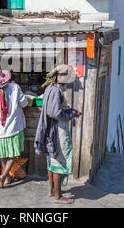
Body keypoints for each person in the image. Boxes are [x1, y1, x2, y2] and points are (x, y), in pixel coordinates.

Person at [34, 64, 81, 204]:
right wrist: (72, 112)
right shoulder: (56, 91)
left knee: (52, 159)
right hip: (57, 130)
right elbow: (55, 113)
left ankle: (52, 190)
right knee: (59, 161)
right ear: (60, 77)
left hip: (52, 129)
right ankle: (58, 196)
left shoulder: (50, 88)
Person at [0, 68, 28, 189]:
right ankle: (4, 175)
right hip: (14, 127)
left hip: (0, 129)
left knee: (3, 155)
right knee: (12, 155)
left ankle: (7, 177)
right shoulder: (15, 88)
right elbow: (24, 103)